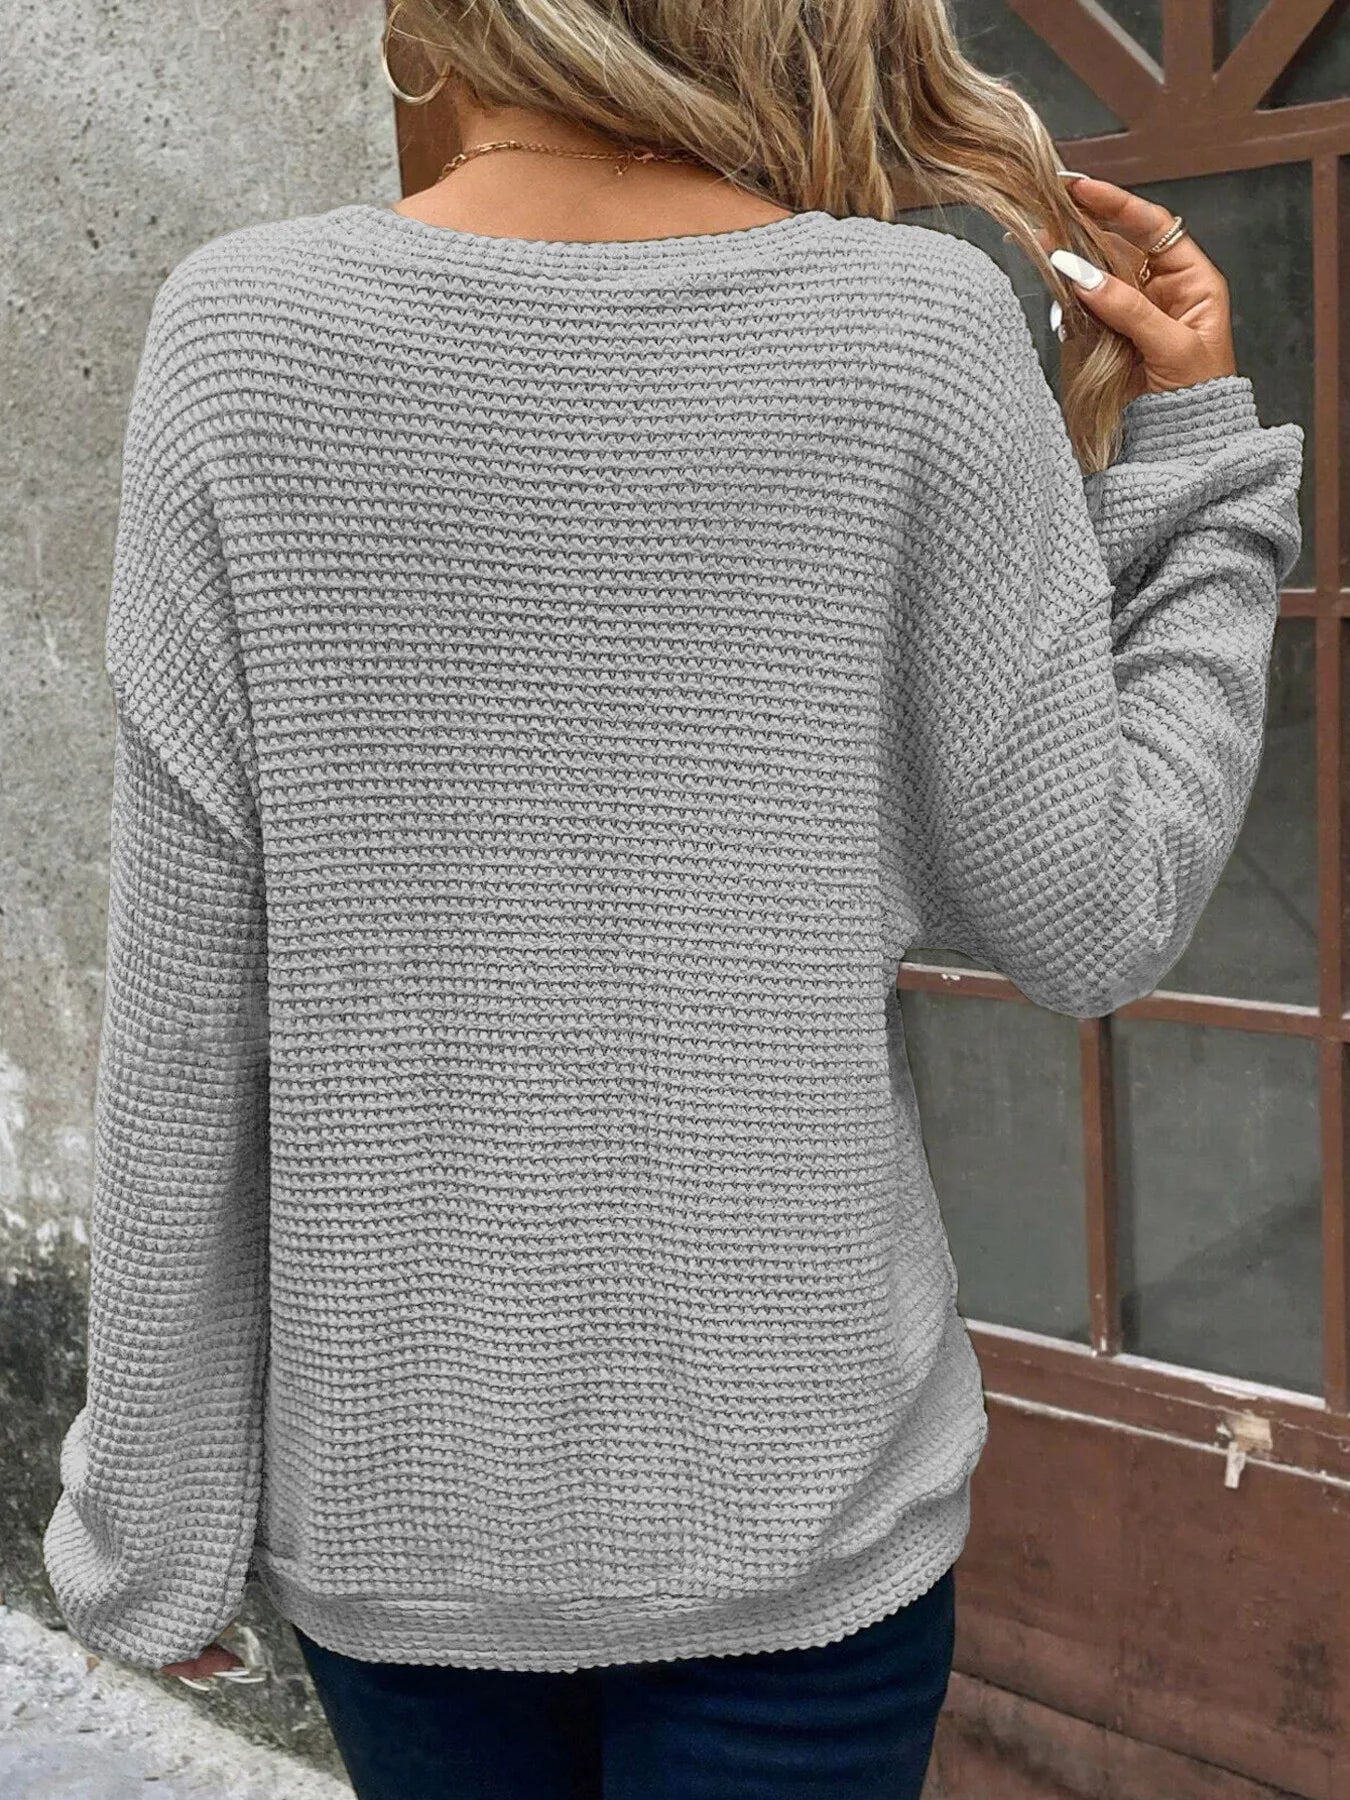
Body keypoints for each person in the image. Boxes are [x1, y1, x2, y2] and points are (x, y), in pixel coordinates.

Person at [42, 0, 1303, 1795]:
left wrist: (148, 1521)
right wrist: (1199, 481)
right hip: (799, 1510)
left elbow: (186, 1009)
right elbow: (1090, 917)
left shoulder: (241, 335)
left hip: (403, 1525)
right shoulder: (913, 328)